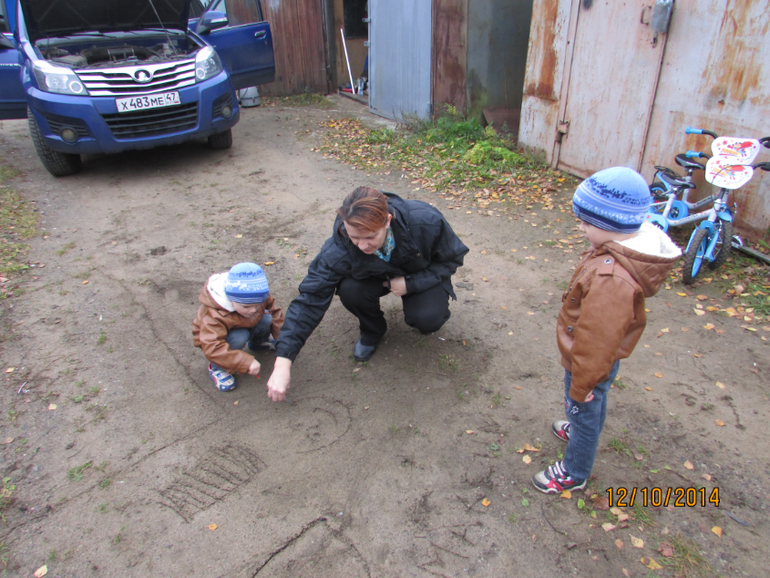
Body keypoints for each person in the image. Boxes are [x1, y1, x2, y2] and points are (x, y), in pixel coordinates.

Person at [532, 167, 681, 494]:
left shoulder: (611, 279)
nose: (581, 228)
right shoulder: (615, 248)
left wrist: (582, 383)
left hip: (589, 362)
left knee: (583, 407)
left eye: (587, 223)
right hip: (596, 360)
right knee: (591, 405)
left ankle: (574, 471)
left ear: (611, 225)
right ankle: (582, 428)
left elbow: (597, 340)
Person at [265, 186, 469, 402]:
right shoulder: (340, 244)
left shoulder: (426, 221)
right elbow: (310, 298)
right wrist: (283, 362)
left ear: (387, 221)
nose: (362, 245)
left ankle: (420, 308)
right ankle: (372, 330)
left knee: (428, 319)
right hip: (374, 276)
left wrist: (410, 283)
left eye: (370, 236)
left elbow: (451, 259)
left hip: (417, 273)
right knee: (350, 289)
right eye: (354, 237)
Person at [192, 262, 284, 391]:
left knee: (267, 317)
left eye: (258, 305)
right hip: (216, 340)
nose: (253, 310)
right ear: (231, 299)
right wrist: (244, 361)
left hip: (246, 323)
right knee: (240, 337)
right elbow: (212, 346)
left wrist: (284, 340)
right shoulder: (214, 314)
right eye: (246, 306)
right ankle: (218, 368)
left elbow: (275, 314)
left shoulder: (257, 295)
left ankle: (258, 342)